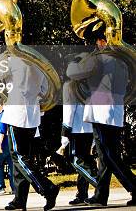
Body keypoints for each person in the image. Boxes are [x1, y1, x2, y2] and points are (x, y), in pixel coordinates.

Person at [0, 52, 59, 211]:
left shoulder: (12, 61)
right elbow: (44, 92)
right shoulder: (38, 64)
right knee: (22, 160)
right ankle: (19, 199)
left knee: (19, 158)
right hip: (32, 117)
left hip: (16, 115)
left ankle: (47, 188)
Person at [66, 29, 135, 207]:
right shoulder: (122, 62)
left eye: (97, 42)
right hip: (115, 111)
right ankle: (100, 196)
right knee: (105, 156)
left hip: (100, 111)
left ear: (102, 41)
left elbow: (72, 73)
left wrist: (78, 59)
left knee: (110, 155)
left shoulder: (98, 59)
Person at [61, 80, 97, 205]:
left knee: (77, 161)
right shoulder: (90, 83)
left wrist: (65, 133)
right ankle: (82, 194)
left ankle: (100, 185)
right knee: (85, 162)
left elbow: (69, 110)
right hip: (90, 127)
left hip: (77, 129)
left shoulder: (70, 85)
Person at [0, 103, 15, 195]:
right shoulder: (10, 115)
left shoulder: (2, 116)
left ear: (2, 105)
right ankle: (14, 188)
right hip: (10, 145)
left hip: (2, 144)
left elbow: (1, 132)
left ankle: (0, 188)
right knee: (12, 166)